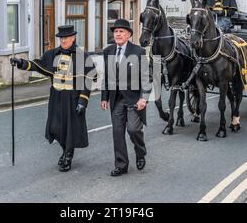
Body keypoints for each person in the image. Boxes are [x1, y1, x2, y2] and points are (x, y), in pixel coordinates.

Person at [10, 25, 95, 172]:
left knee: (70, 129)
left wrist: (83, 100)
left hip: (73, 97)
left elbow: (88, 79)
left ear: (73, 38)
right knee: (56, 127)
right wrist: (21, 63)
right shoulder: (52, 54)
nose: (63, 40)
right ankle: (64, 150)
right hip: (56, 96)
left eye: (66, 38)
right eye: (61, 38)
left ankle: (68, 155)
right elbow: (38, 65)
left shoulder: (83, 56)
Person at [101, 19, 152, 177]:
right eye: (115, 31)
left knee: (133, 129)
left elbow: (147, 77)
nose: (118, 34)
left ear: (129, 34)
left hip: (134, 98)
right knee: (117, 132)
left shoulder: (138, 52)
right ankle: (121, 165)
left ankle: (140, 151)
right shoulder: (108, 51)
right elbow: (107, 76)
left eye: (121, 31)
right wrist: (104, 97)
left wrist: (144, 98)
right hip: (116, 99)